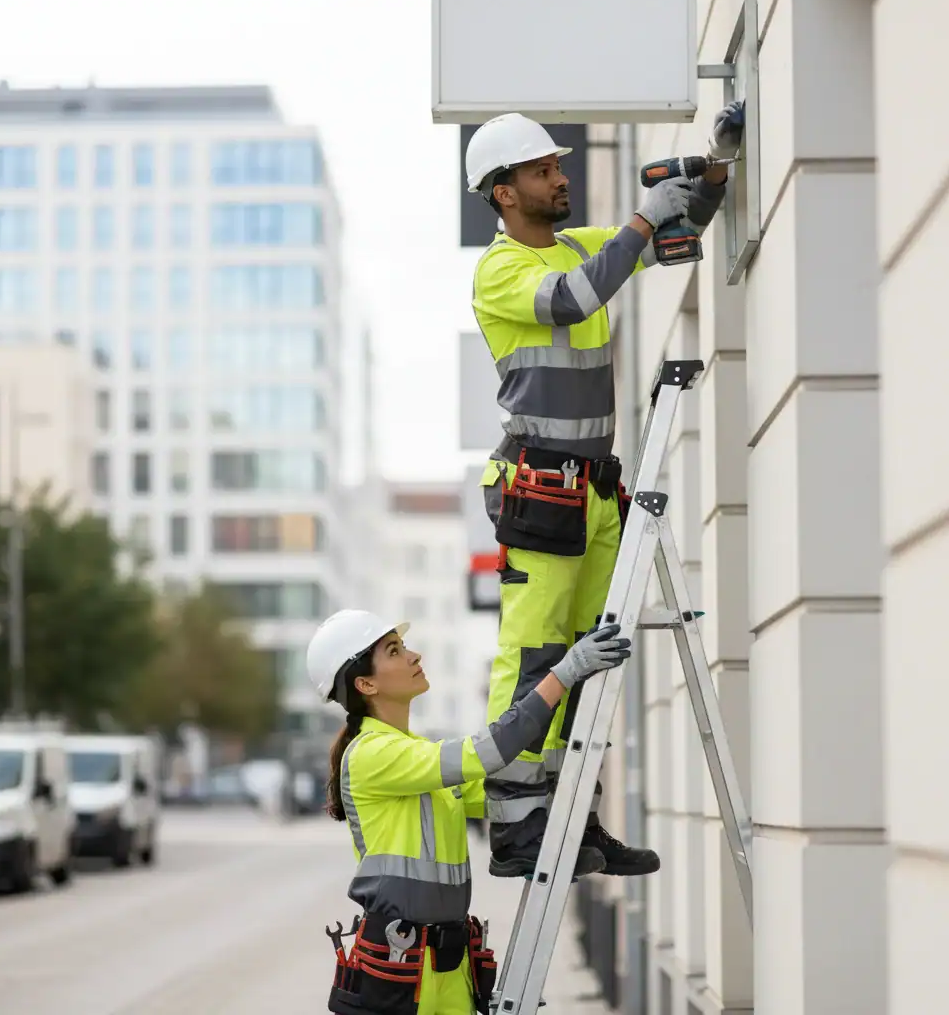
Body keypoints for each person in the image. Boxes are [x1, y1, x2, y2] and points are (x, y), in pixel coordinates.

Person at [465, 104, 744, 880]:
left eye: (558, 165)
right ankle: (518, 825)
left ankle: (574, 821)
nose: (561, 177)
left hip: (591, 493)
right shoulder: (502, 270)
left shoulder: (575, 246)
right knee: (535, 655)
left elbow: (683, 223)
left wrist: (714, 165)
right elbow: (576, 298)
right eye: (543, 170)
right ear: (503, 192)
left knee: (591, 658)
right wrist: (641, 218)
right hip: (540, 487)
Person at [308, 608, 631, 1015]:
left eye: (404, 646)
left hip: (448, 961)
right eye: (394, 651)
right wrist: (562, 675)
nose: (413, 656)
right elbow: (486, 752)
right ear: (366, 683)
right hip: (401, 967)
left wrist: (571, 757)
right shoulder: (372, 753)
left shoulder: (415, 756)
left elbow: (498, 791)